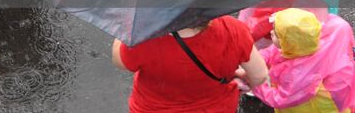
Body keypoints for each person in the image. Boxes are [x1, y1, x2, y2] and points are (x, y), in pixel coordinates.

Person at [113, 15, 268, 113]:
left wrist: (128, 25)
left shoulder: (143, 35)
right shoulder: (233, 30)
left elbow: (120, 62)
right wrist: (240, 74)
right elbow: (259, 76)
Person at [250, 9, 355, 113]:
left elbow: (280, 99)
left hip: (314, 107)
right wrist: (256, 61)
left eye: (276, 33)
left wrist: (256, 83)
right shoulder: (311, 37)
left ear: (289, 43)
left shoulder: (298, 74)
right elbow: (275, 50)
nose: (271, 32)